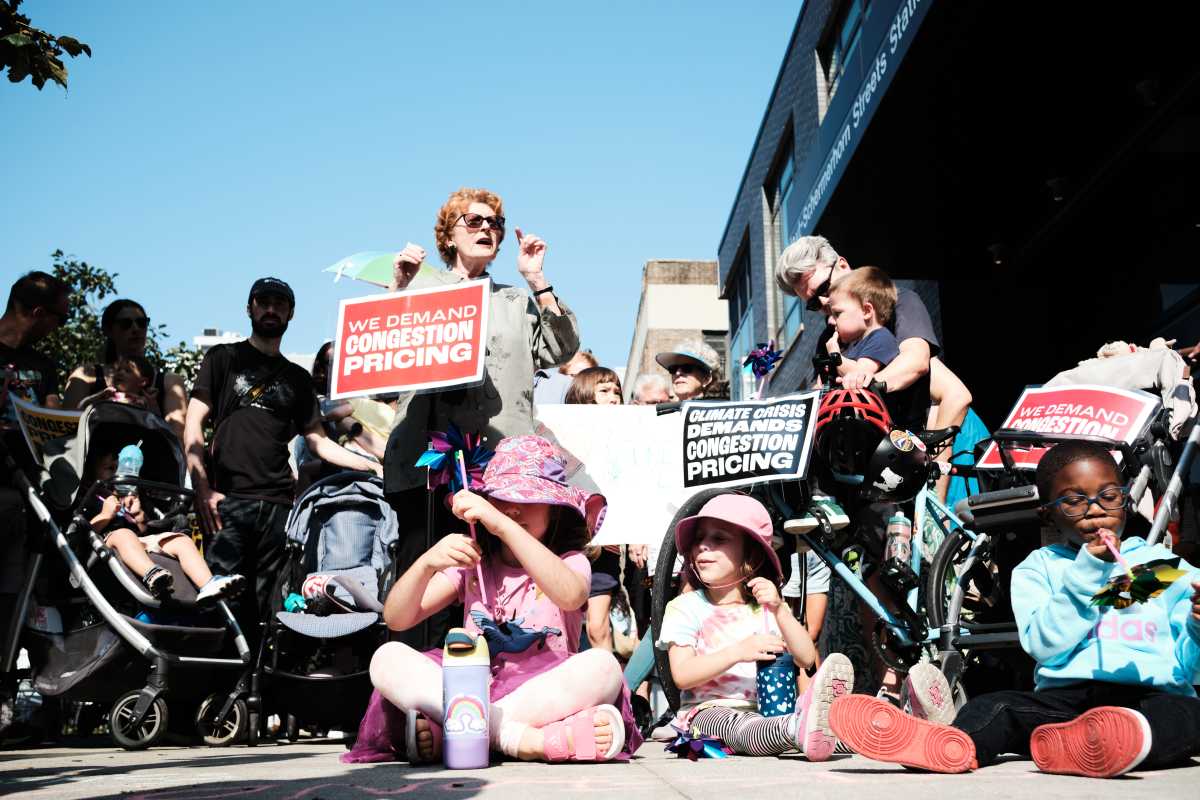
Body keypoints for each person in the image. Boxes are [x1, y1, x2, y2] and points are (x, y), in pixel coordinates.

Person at [830, 440, 1200, 777]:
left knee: (1185, 717)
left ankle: (1107, 744)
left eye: (1108, 496)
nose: (1094, 510)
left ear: (1126, 501)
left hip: (1150, 697)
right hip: (1067, 703)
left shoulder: (1158, 566)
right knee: (998, 708)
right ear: (1047, 515)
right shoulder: (1039, 568)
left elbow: (1188, 662)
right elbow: (1044, 646)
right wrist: (1089, 570)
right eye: (1074, 500)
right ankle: (948, 744)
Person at [383, 187, 580, 651]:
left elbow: (562, 348)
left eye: (493, 223)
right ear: (448, 236)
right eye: (473, 221)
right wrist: (400, 288)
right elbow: (380, 374)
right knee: (428, 576)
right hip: (424, 463)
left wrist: (536, 278)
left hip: (499, 468)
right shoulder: (419, 290)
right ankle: (417, 706)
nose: (487, 229)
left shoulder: (514, 301)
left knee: (491, 579)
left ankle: (493, 687)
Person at [365, 435, 639, 763]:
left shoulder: (569, 559)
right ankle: (521, 739)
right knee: (386, 657)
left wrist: (505, 526)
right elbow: (396, 618)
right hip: (474, 687)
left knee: (603, 667)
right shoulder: (473, 563)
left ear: (555, 510)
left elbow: (570, 595)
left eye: (528, 498)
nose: (512, 508)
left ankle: (465, 732)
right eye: (502, 500)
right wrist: (426, 563)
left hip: (540, 697)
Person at [184, 277, 382, 636]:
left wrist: (373, 467)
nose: (271, 309)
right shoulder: (223, 358)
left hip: (278, 506)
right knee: (219, 603)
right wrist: (202, 488)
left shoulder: (297, 378)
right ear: (250, 308)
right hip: (227, 500)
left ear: (291, 313)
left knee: (265, 608)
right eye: (264, 301)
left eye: (280, 303)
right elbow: (193, 423)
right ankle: (213, 687)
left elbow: (319, 442)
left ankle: (252, 688)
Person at [656, 493, 855, 760]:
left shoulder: (765, 608)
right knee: (741, 727)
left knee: (825, 729)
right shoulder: (686, 607)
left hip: (768, 711)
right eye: (699, 538)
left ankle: (864, 733)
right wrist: (739, 651)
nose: (703, 546)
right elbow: (681, 674)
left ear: (751, 552)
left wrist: (780, 610)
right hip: (705, 715)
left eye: (719, 538)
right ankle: (799, 729)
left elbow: (806, 657)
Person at [777, 235, 971, 437]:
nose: (824, 301)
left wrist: (866, 383)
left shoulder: (897, 302)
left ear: (842, 266)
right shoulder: (827, 340)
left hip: (945, 439)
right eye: (813, 303)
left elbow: (916, 361)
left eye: (824, 288)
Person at [85, 450, 244, 603]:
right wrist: (104, 515)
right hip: (105, 545)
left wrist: (139, 517)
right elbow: (81, 533)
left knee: (180, 540)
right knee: (123, 534)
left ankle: (208, 584)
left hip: (139, 543)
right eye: (110, 468)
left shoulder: (128, 496)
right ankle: (151, 573)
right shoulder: (90, 497)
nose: (117, 473)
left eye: (119, 467)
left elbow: (143, 531)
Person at [62, 299, 188, 439]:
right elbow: (68, 429)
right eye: (125, 324)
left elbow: (176, 438)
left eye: (141, 323)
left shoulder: (170, 381)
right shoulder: (85, 376)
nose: (135, 329)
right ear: (108, 330)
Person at [564, 366, 624, 651]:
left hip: (606, 545)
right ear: (584, 397)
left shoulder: (627, 440)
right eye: (604, 391)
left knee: (599, 627)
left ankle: (610, 691)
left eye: (617, 391)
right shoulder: (562, 436)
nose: (614, 398)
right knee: (567, 624)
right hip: (569, 542)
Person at [824, 266, 900, 382]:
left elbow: (858, 375)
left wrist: (835, 355)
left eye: (837, 314)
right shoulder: (857, 345)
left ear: (867, 311)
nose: (831, 320)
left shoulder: (881, 338)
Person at [654, 340, 722, 402]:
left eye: (686, 368)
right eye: (673, 368)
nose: (678, 373)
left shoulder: (719, 413)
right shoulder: (662, 413)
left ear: (706, 378)